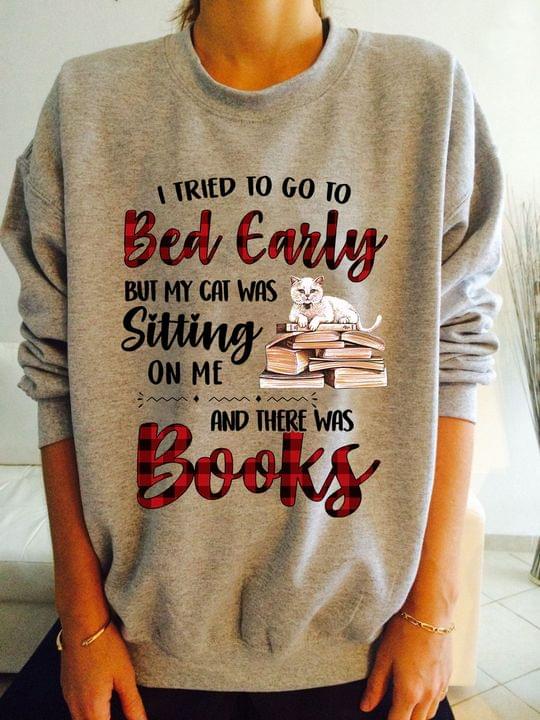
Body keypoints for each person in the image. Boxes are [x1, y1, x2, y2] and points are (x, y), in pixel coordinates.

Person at [0, 0, 504, 718]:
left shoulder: (425, 90)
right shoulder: (89, 101)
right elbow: (55, 375)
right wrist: (81, 625)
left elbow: (456, 358)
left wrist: (433, 611)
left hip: (364, 657)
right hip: (138, 656)